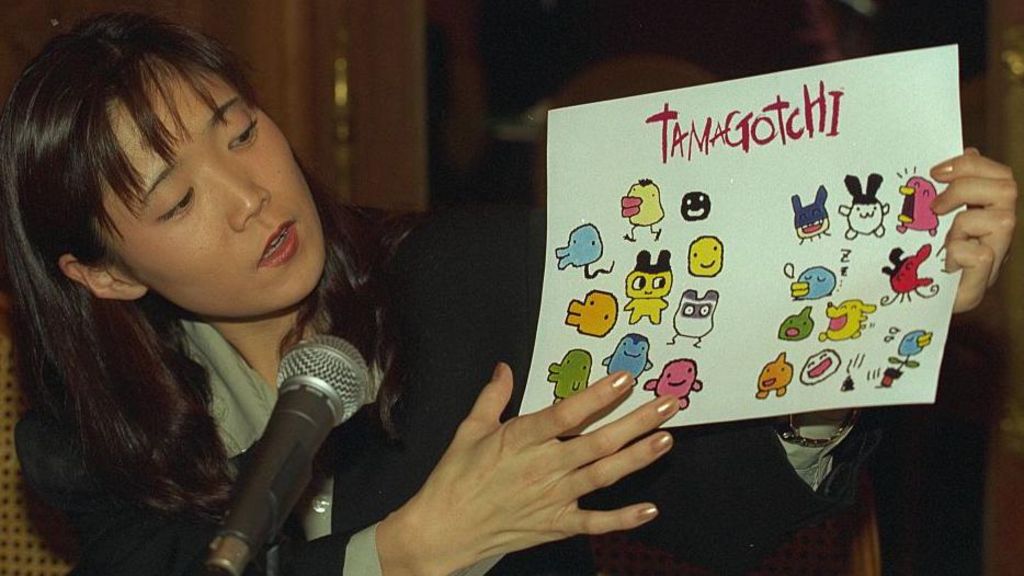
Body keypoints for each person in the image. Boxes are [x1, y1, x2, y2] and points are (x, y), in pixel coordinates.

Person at [1, 12, 1016, 576]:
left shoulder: (474, 280)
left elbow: (716, 520)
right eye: (177, 196)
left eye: (239, 129)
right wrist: (402, 554)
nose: (249, 194)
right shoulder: (94, 440)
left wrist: (863, 320)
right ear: (105, 273)